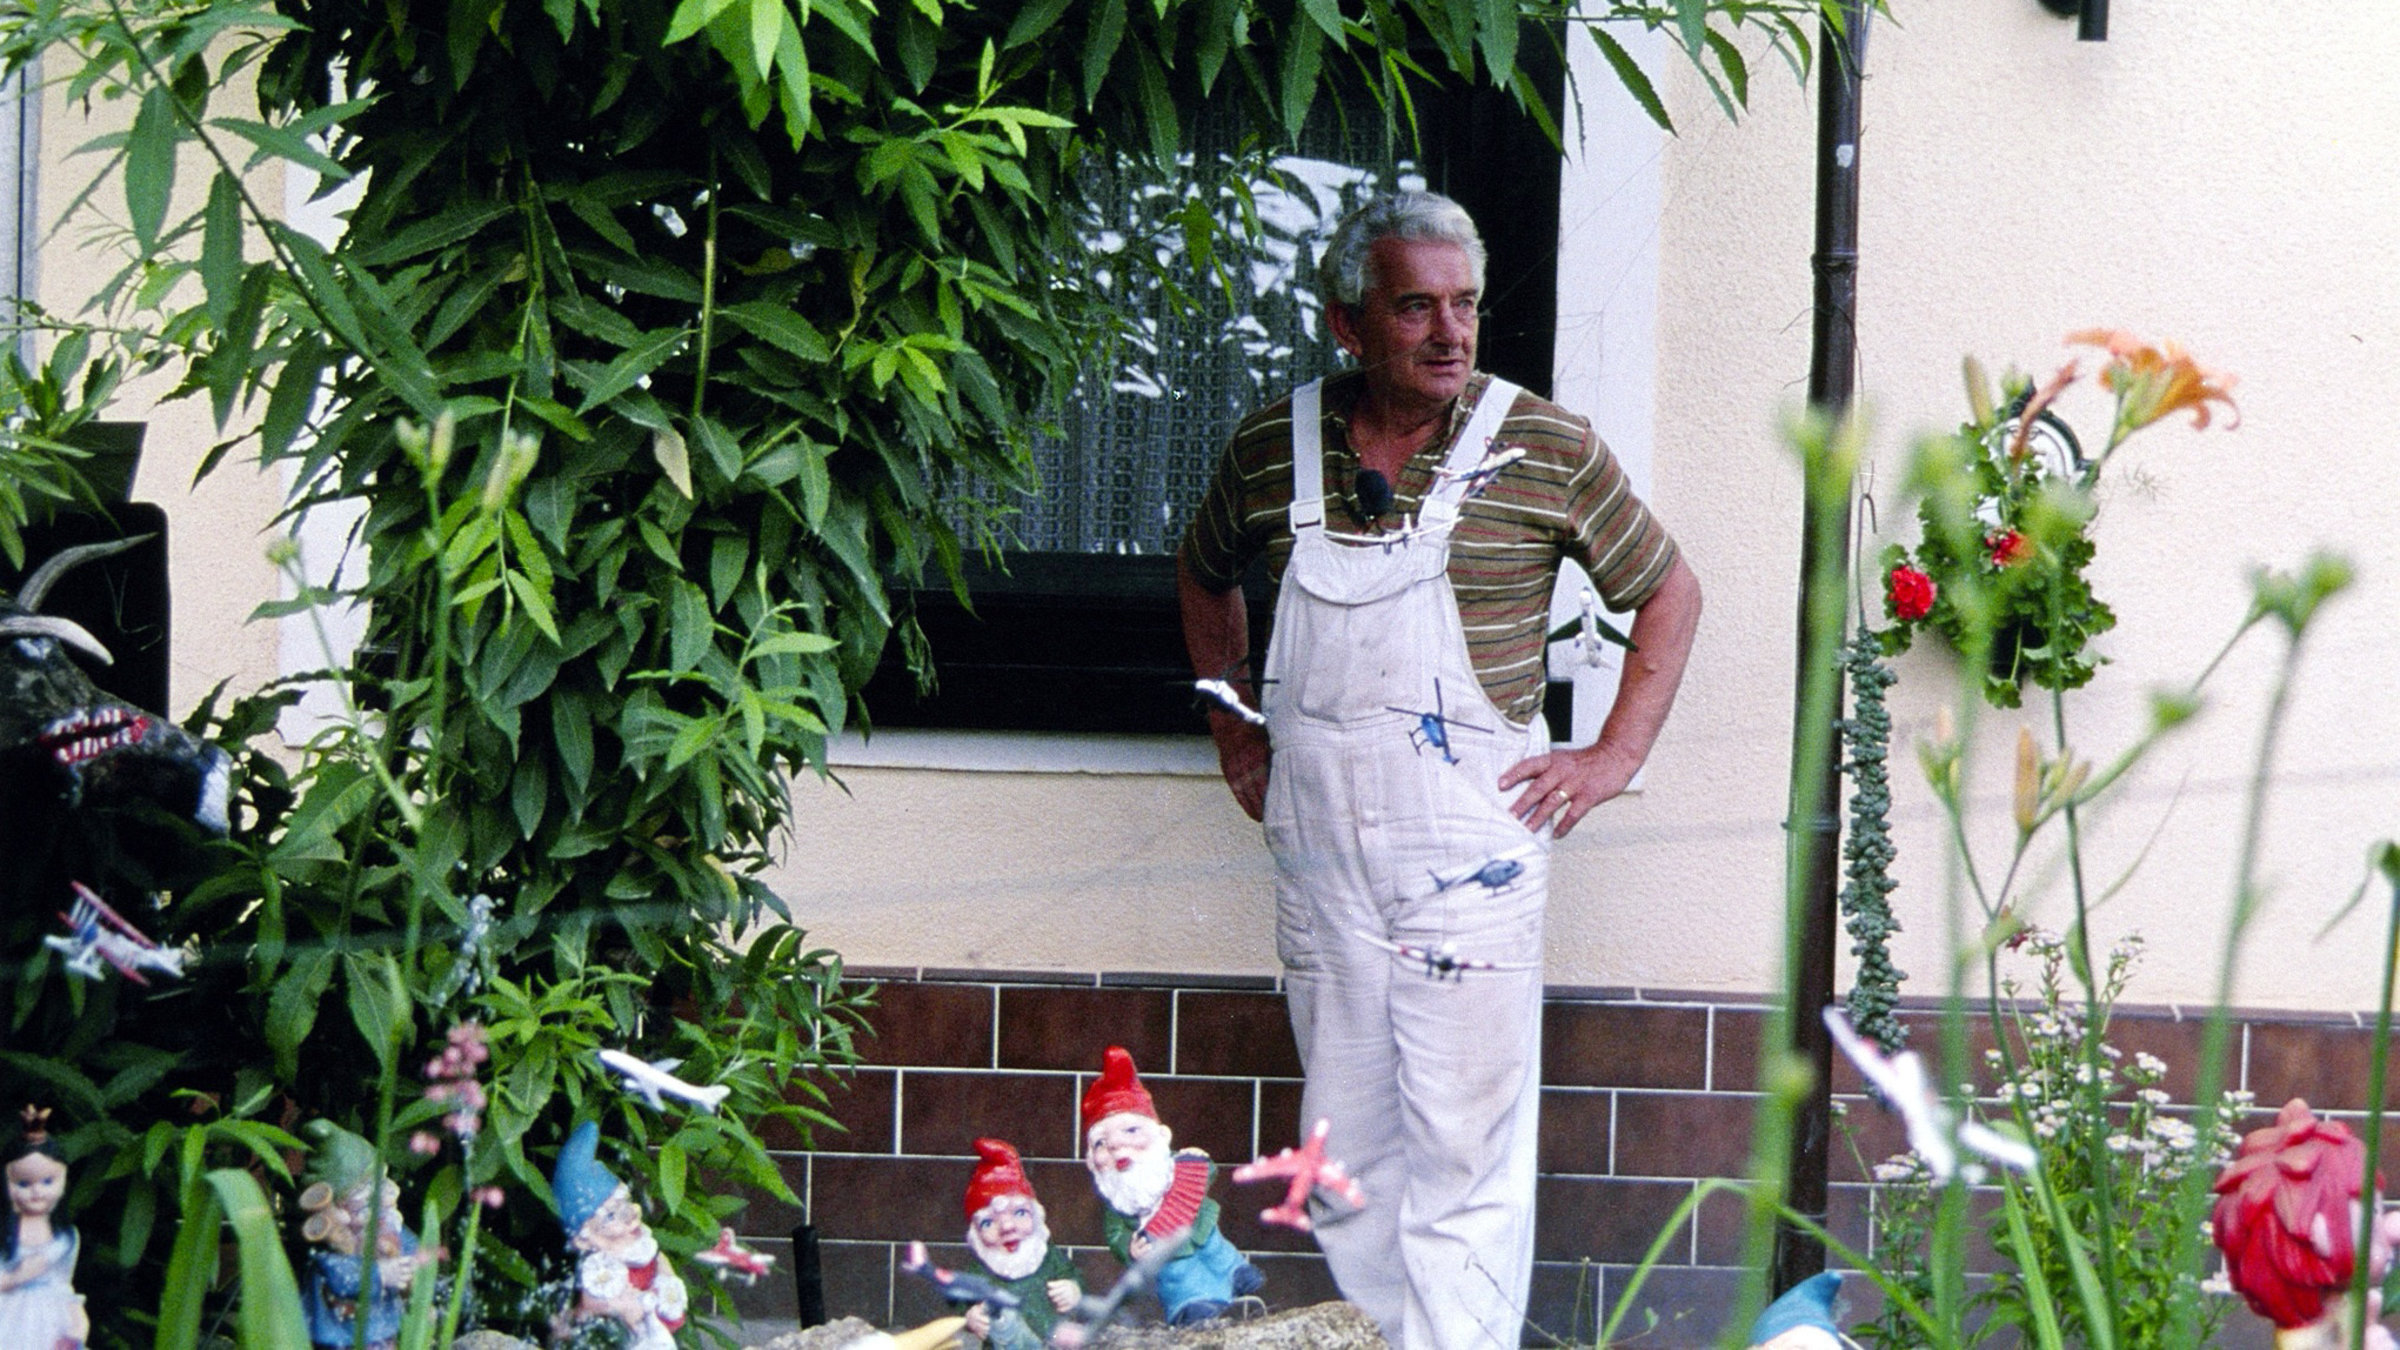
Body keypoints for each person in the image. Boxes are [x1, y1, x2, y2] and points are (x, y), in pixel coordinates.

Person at [1175, 190, 1701, 1349]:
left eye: (1463, 305)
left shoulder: (1543, 444)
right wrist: (1235, 729)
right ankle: (1374, 1336)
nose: (1450, 332)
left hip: (1472, 854)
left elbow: (1667, 588)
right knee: (1351, 1131)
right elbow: (1204, 571)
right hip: (1322, 855)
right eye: (1415, 308)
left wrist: (1614, 753)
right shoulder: (1276, 444)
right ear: (1348, 324)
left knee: (1465, 1135)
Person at [1080, 1046, 1260, 1325]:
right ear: (1092, 1159)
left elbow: (1204, 1175)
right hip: (1165, 1253)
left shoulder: (1168, 1164)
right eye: (1101, 1143)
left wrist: (1201, 1162)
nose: (1116, 1145)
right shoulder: (1118, 1204)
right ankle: (1193, 1307)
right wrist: (1130, 1248)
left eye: (1130, 1130)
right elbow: (1115, 1235)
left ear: (1159, 1135)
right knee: (1178, 1276)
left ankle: (1236, 1274)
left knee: (1215, 1247)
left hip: (1198, 1227)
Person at [297, 1120, 436, 1350]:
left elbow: (416, 1254)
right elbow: (341, 1278)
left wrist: (416, 1272)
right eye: (367, 1195)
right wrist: (380, 1274)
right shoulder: (329, 1250)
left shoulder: (389, 1230)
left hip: (384, 1331)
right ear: (338, 1210)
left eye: (382, 1185)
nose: (383, 1198)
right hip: (342, 1337)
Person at [551, 1120, 688, 1350]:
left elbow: (660, 1264)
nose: (628, 1215)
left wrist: (668, 1283)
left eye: (626, 1202)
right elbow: (592, 1302)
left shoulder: (641, 1247)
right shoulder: (599, 1268)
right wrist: (623, 1306)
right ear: (585, 1237)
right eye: (611, 1216)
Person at [958, 1137, 1081, 1349]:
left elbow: (1073, 1276)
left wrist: (1073, 1290)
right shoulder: (980, 1271)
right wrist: (970, 1317)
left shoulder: (1048, 1258)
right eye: (989, 1222)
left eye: (1020, 1213)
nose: (1007, 1227)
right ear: (976, 1233)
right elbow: (961, 1300)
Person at [0, 1106, 87, 1350]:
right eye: (24, 1183)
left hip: (51, 1320)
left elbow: (65, 1285)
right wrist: (18, 1277)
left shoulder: (66, 1237)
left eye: (48, 1181)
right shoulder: (5, 1235)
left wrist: (77, 1324)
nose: (37, 1192)